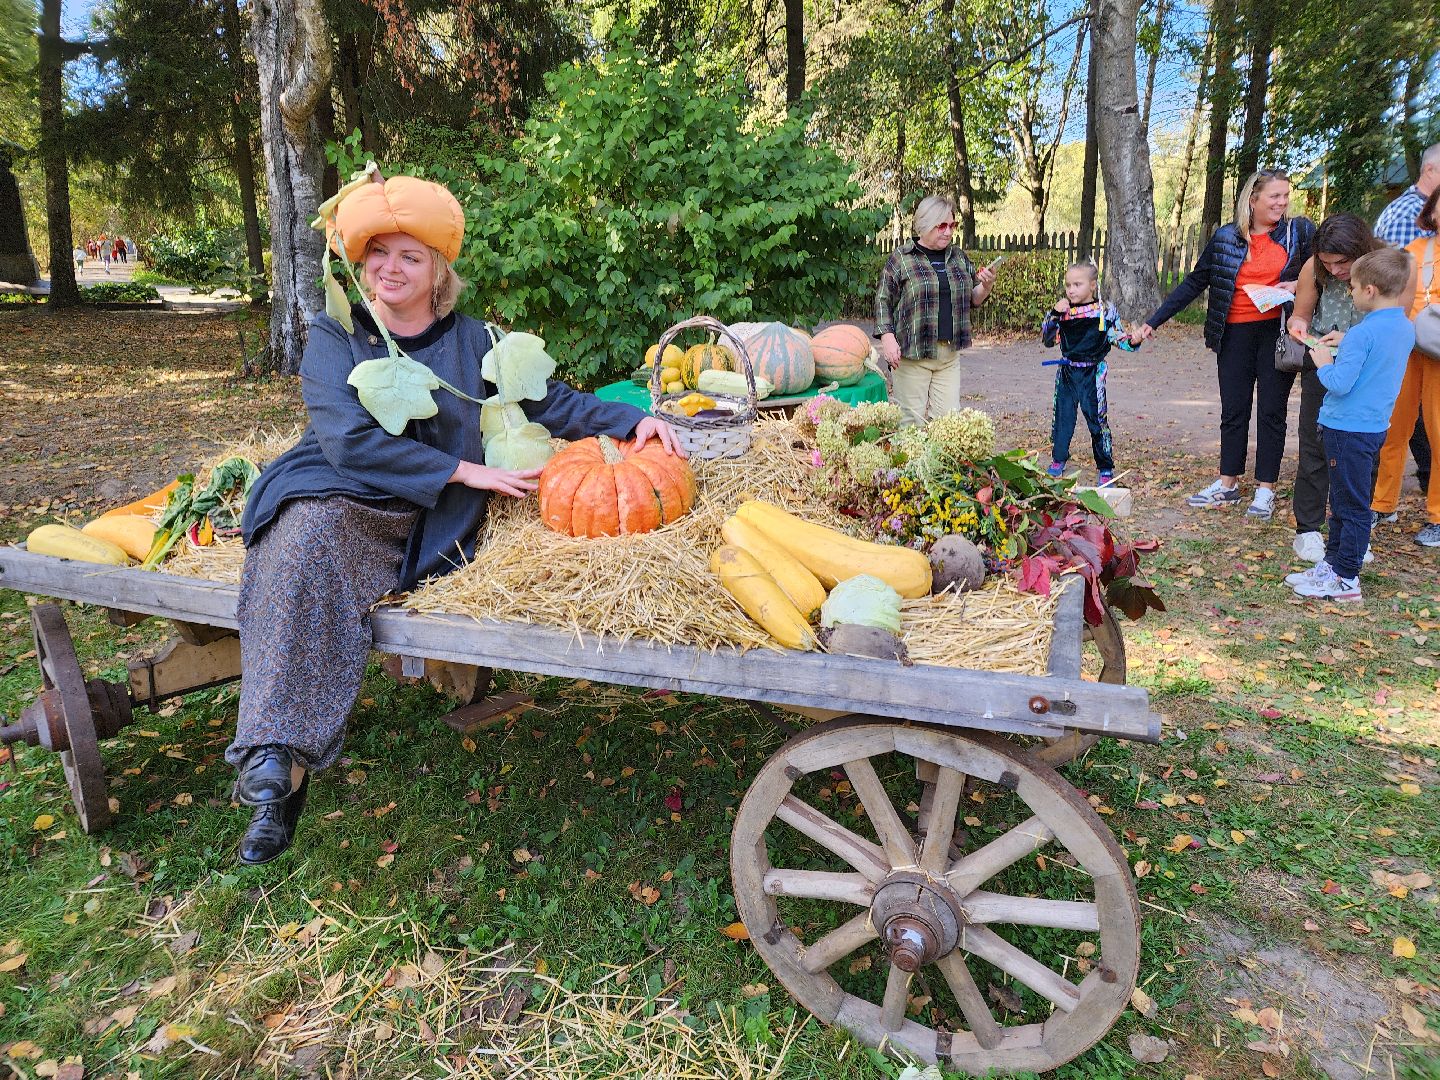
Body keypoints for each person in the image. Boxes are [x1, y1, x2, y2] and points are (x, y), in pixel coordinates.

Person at [224, 173, 685, 866]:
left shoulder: (477, 342)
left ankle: (280, 763)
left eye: (410, 255)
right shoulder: (336, 334)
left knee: (325, 568)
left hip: (427, 513)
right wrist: (465, 470)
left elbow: (553, 404)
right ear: (360, 263)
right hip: (341, 486)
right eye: (378, 253)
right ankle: (274, 769)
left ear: (439, 268)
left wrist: (634, 419)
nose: (391, 267)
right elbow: (347, 439)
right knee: (300, 543)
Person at [1132, 169, 1315, 519]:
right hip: (1233, 334)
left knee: (1271, 411)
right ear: (1253, 199)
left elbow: (1321, 271)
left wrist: (1295, 286)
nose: (1282, 202)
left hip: (1276, 333)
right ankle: (1227, 483)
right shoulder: (1226, 238)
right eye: (1274, 196)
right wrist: (1152, 322)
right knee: (1234, 409)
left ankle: (1265, 490)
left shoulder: (1299, 232)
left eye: (1285, 195)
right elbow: (1194, 283)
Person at [1284, 249, 1415, 602]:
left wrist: (1324, 361)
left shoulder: (1361, 333)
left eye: (1354, 287)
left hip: (1346, 428)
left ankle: (1346, 577)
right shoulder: (1403, 327)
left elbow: (1340, 383)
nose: (1351, 292)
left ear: (1370, 290)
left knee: (1349, 507)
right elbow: (1378, 357)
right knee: (1345, 501)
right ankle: (1333, 564)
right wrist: (1349, 343)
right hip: (1372, 425)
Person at [1285, 214, 1384, 562]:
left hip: (1368, 368)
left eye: (1342, 263)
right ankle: (1309, 530)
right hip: (1323, 363)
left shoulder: (1382, 266)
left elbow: (1394, 321)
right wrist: (1299, 327)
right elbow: (1301, 313)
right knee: (1315, 442)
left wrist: (1353, 339)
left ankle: (1356, 532)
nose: (1336, 271)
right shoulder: (1315, 267)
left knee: (1363, 450)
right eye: (1328, 264)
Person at [874, 195, 997, 427]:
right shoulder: (902, 258)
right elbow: (882, 300)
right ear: (924, 224)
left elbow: (973, 298)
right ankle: (910, 465)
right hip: (912, 355)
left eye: (952, 225)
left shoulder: (958, 256)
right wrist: (887, 338)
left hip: (948, 357)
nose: (948, 232)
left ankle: (938, 464)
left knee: (947, 425)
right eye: (942, 226)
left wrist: (987, 285)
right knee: (911, 424)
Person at [1371, 186, 1440, 548]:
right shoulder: (1415, 251)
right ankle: (1382, 504)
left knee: (1439, 433)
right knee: (1393, 427)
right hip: (1408, 348)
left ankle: (1438, 516)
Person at [1040, 261, 1136, 485]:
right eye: (1067, 285)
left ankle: (1105, 466)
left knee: (1097, 419)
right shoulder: (1063, 312)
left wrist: (1134, 339)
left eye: (1077, 284)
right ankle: (1058, 459)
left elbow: (1117, 337)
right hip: (1067, 373)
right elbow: (1047, 340)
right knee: (1063, 416)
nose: (1071, 290)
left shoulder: (1104, 310)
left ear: (1092, 285)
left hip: (1093, 374)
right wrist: (1053, 314)